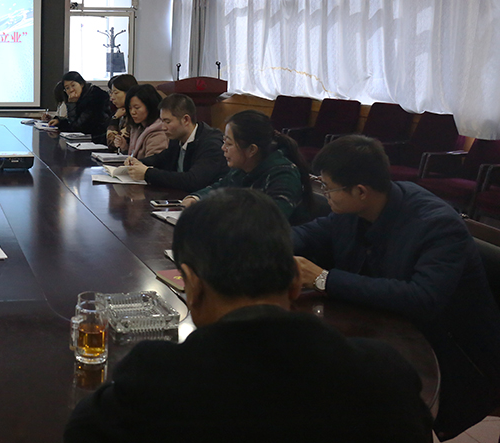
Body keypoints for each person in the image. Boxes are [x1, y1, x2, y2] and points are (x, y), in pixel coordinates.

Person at [65, 189, 432, 443]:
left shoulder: (154, 380)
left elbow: (80, 430)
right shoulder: (382, 373)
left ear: (191, 286)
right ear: (294, 281)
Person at [293, 135, 500, 440]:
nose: (325, 194)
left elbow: (422, 298)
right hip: (383, 332)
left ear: (360, 191)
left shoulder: (437, 225)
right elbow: (308, 235)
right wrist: (263, 243)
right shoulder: (357, 210)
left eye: (327, 188)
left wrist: (324, 278)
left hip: (449, 354)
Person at [183, 110, 313, 224]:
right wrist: (196, 198)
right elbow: (220, 187)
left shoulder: (284, 175)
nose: (223, 148)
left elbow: (270, 221)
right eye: (224, 141)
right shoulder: (243, 168)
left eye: (229, 143)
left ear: (252, 150)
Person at [124, 93, 228, 192]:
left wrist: (147, 173)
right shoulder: (177, 138)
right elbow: (161, 159)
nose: (163, 127)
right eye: (162, 121)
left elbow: (193, 180)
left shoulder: (211, 143)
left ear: (186, 120)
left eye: (167, 122)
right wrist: (137, 162)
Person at [49, 71, 111, 141]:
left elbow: (78, 127)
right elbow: (74, 122)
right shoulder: (80, 97)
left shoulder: (96, 96)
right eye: (67, 88)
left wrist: (72, 104)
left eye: (73, 85)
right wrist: (59, 121)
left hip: (97, 139)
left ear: (81, 84)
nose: (71, 90)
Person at [111, 84, 168, 159]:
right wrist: (124, 147)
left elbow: (152, 163)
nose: (132, 112)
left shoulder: (158, 133)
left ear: (150, 106)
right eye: (130, 108)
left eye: (137, 108)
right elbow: (134, 156)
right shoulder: (138, 128)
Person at [105, 74, 138, 145]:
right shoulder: (121, 113)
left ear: (129, 92)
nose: (112, 98)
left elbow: (113, 144)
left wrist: (114, 119)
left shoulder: (135, 115)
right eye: (111, 93)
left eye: (116, 93)